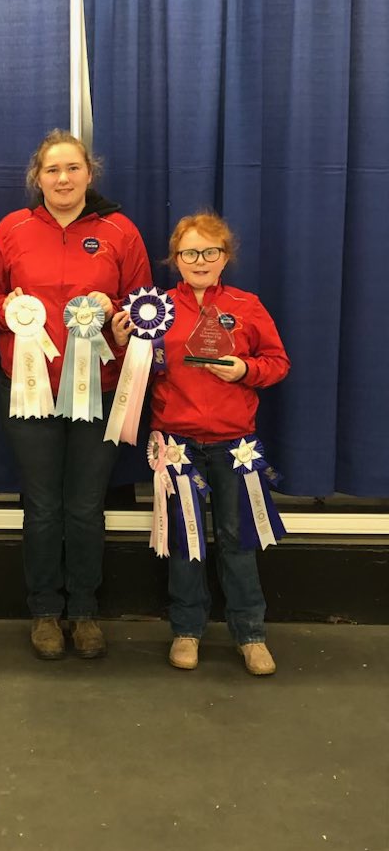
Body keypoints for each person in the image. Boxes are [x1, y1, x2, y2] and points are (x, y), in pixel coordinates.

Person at [0, 129, 151, 660]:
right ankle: (43, 612)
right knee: (41, 506)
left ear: (89, 174)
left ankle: (83, 610)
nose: (63, 178)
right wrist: (6, 309)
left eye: (72, 168)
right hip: (29, 394)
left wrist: (117, 314)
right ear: (38, 177)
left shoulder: (119, 231)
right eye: (52, 170)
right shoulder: (11, 230)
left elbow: (142, 306)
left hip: (95, 392)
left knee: (83, 507)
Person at [112, 209, 290, 675]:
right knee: (184, 541)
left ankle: (250, 634)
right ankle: (186, 630)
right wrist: (118, 340)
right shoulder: (153, 310)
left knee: (238, 541)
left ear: (225, 256)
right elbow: (130, 371)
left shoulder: (247, 305)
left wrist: (245, 369)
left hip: (236, 446)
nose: (200, 260)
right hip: (178, 445)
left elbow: (277, 362)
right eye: (189, 252)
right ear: (175, 259)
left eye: (209, 251)